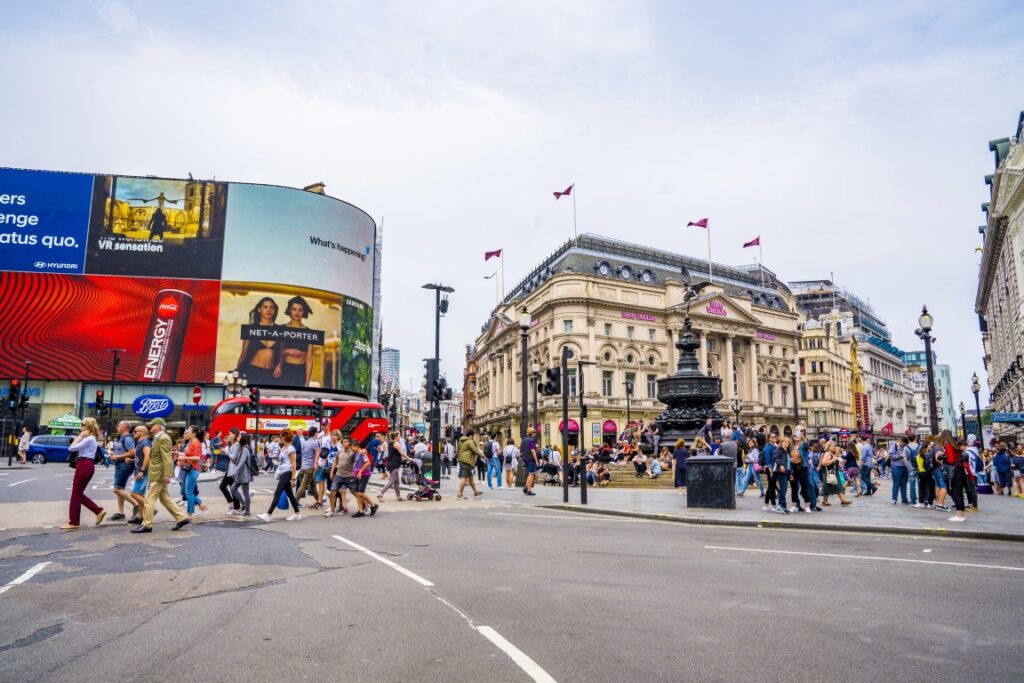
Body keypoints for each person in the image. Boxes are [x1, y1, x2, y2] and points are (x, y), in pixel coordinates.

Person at [132, 417, 190, 533]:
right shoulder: (157, 438)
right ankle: (182, 518)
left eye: (152, 425)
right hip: (157, 472)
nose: (151, 427)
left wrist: (168, 474)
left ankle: (147, 524)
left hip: (159, 473)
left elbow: (167, 457)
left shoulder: (163, 438)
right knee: (164, 498)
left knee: (148, 499)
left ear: (158, 426)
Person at [62, 417, 106, 530]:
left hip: (84, 464)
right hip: (84, 464)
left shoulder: (89, 438)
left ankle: (74, 522)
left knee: (76, 494)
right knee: (78, 493)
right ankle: (98, 511)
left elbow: (71, 448)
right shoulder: (90, 438)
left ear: (88, 427)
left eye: (82, 424)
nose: (80, 426)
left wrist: (80, 436)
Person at [257, 430, 302, 522]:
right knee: (290, 494)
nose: (280, 438)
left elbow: (294, 464)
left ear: (286, 437)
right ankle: (297, 513)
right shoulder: (284, 448)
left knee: (277, 493)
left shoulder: (290, 449)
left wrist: (293, 478)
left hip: (287, 473)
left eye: (281, 436)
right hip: (282, 472)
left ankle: (268, 515)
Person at [236, 297, 281, 386]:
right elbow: (244, 353)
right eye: (265, 307)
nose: (269, 310)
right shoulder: (250, 329)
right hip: (252, 372)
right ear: (259, 309)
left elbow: (281, 353)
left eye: (272, 307)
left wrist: (280, 366)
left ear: (275, 311)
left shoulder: (280, 330)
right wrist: (237, 374)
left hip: (271, 374)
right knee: (252, 399)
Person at [275, 295, 315, 386]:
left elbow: (309, 359)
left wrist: (307, 383)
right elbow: (278, 352)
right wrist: (287, 351)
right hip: (284, 370)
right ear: (289, 310)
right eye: (294, 309)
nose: (297, 313)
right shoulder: (282, 329)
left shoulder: (310, 332)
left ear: (304, 311)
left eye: (300, 310)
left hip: (300, 371)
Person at [108, 420, 138, 521]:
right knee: (120, 489)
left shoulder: (128, 438)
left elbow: (132, 452)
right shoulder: (122, 438)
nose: (117, 427)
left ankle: (136, 504)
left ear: (125, 427)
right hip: (121, 464)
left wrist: (117, 456)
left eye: (119, 425)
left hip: (125, 465)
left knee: (116, 489)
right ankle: (120, 512)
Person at [178, 426, 208, 516]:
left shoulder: (195, 443)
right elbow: (190, 454)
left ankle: (189, 514)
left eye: (189, 431)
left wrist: (184, 457)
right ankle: (200, 503)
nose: (187, 432)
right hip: (188, 469)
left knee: (189, 492)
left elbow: (197, 458)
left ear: (194, 434)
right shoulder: (191, 442)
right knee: (183, 492)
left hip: (193, 469)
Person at [127, 425, 152, 525]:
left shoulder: (145, 442)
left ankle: (150, 508)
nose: (134, 433)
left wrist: (142, 470)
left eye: (135, 431)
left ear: (142, 432)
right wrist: (132, 460)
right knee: (140, 494)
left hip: (143, 472)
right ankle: (141, 517)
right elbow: (141, 458)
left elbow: (147, 457)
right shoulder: (140, 443)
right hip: (140, 471)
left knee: (134, 493)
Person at [227, 432, 254, 517]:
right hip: (240, 474)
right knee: (233, 489)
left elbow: (241, 463)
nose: (237, 437)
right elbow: (238, 461)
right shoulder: (242, 448)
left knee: (245, 493)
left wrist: (235, 472)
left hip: (244, 474)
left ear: (242, 439)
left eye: (239, 437)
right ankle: (244, 504)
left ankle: (247, 511)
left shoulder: (245, 449)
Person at [295, 427, 321, 509]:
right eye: (317, 432)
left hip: (305, 466)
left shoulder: (306, 442)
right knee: (303, 486)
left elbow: (303, 455)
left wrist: (303, 465)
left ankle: (318, 501)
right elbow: (317, 454)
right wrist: (315, 464)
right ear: (315, 433)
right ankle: (295, 501)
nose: (318, 434)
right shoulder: (315, 443)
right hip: (310, 467)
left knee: (313, 486)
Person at [945, 434, 969, 523]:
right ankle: (961, 514)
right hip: (961, 471)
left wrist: (944, 458)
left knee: (956, 493)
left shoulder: (950, 448)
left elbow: (951, 460)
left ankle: (959, 515)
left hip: (956, 472)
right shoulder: (958, 451)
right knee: (959, 493)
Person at [457, 428, 484, 499]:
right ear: (471, 435)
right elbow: (475, 450)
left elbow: (458, 450)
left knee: (471, 478)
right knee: (464, 477)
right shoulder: (470, 441)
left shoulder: (461, 441)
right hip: (467, 460)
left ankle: (475, 492)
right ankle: (459, 493)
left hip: (462, 460)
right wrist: (483, 456)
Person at [219, 428, 242, 513]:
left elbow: (234, 458)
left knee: (228, 488)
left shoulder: (237, 445)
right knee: (228, 488)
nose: (229, 435)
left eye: (230, 434)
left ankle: (235, 507)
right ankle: (234, 506)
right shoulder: (232, 444)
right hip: (230, 469)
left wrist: (227, 452)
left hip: (233, 470)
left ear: (235, 434)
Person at [890, 436, 911, 505]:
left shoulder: (905, 447)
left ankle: (904, 499)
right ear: (901, 441)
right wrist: (900, 456)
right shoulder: (894, 446)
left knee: (904, 484)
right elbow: (891, 456)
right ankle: (894, 499)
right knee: (896, 483)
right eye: (904, 444)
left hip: (905, 467)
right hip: (897, 467)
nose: (904, 446)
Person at [521, 428, 540, 495]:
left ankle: (526, 487)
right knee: (532, 474)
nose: (535, 434)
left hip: (525, 459)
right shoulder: (531, 440)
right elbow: (532, 450)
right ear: (531, 433)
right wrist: (536, 460)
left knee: (530, 474)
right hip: (530, 459)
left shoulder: (524, 440)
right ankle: (528, 489)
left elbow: (522, 449)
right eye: (534, 433)